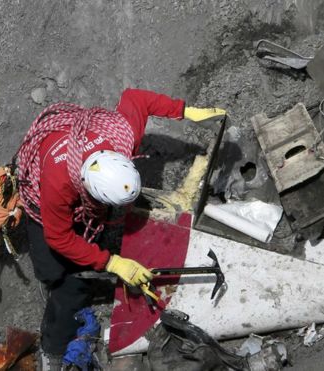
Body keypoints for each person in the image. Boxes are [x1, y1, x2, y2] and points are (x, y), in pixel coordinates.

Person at [16, 88, 225, 370]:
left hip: (79, 176)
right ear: (88, 190)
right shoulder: (58, 186)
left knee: (91, 239)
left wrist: (185, 110)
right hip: (45, 206)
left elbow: (135, 99)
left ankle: (87, 257)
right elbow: (58, 236)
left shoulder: (122, 139)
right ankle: (52, 348)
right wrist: (113, 263)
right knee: (63, 281)